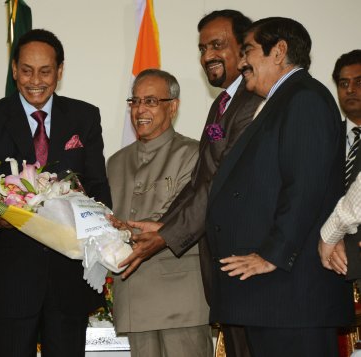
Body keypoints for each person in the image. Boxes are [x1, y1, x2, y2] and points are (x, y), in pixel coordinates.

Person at [203, 17, 353, 356]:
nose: (241, 62)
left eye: (248, 51)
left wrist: (272, 254)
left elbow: (305, 186)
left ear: (279, 51)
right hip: (274, 298)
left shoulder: (304, 98)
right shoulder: (281, 99)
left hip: (291, 293)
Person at [115, 10, 262, 357]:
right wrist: (162, 225)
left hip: (248, 265)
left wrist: (165, 233)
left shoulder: (253, 102)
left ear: (243, 49)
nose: (207, 55)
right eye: (202, 48)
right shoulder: (220, 109)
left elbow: (216, 184)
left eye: (217, 45)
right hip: (224, 276)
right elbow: (204, 179)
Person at [0, 29, 112, 357]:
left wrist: (101, 230)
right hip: (9, 280)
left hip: (68, 280)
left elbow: (98, 186)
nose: (35, 80)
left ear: (60, 71)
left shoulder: (84, 116)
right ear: (14, 69)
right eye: (27, 70)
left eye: (45, 71)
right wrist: (1, 214)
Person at [108, 69, 212, 357]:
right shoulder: (116, 162)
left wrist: (124, 230)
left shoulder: (194, 154)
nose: (140, 109)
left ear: (173, 106)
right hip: (134, 298)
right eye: (135, 101)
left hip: (180, 299)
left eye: (151, 101)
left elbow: (182, 220)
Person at [318, 49, 361, 278]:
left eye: (359, 82)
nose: (350, 90)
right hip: (330, 268)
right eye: (344, 83)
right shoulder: (324, 137)